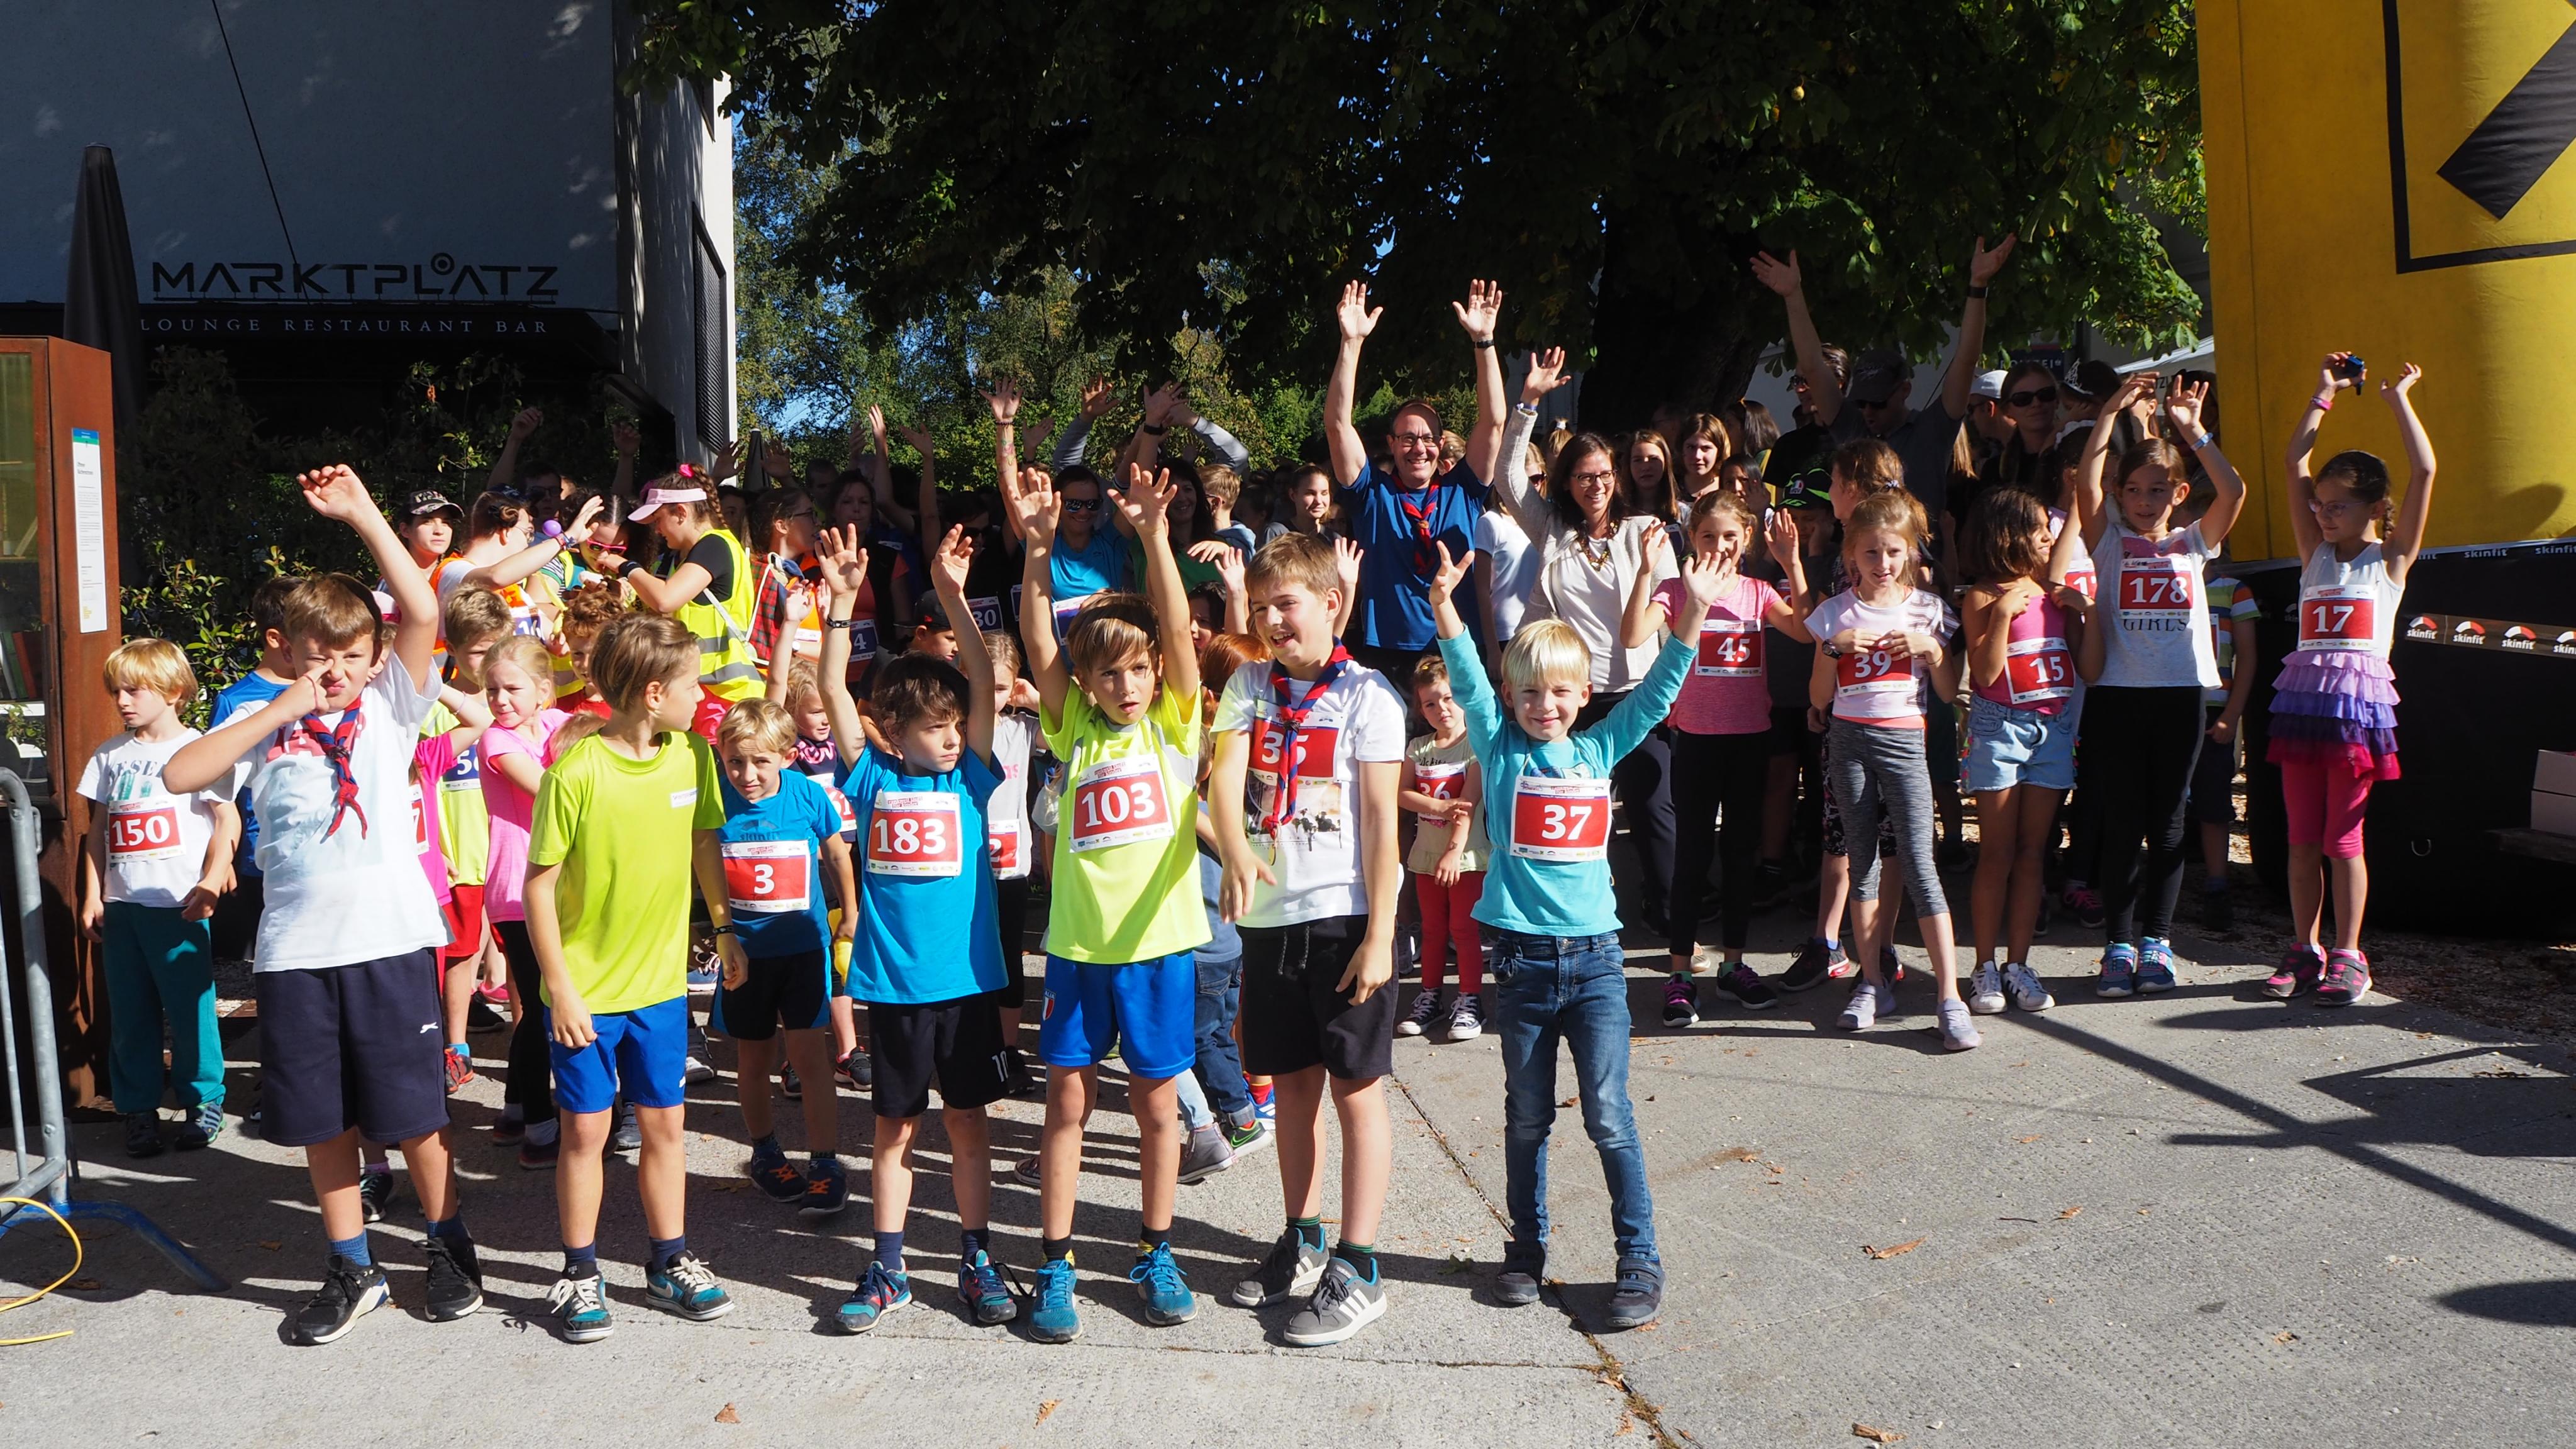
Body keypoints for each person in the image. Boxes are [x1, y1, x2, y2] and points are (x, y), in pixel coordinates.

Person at [165, 465, 479, 1346]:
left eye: (349, 656)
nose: (334, 672)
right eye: (317, 656)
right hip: (298, 951)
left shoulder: (390, 707)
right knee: (322, 1118)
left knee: (415, 1115)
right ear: (287, 652)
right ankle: (351, 1263)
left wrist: (365, 514)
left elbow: (423, 611)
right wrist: (279, 710)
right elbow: (181, 774)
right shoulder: (259, 722)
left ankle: (447, 1240)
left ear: (375, 659)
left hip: (388, 940)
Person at [1428, 537, 1720, 1333]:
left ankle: (1639, 1260)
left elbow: (1655, 695)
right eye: (1528, 692)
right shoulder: (1498, 747)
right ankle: (1525, 1252)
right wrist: (1446, 608)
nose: (1543, 705)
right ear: (1510, 695)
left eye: (1559, 691)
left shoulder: (1598, 747)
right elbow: (1467, 678)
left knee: (1608, 1115)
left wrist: (1692, 613)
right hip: (1521, 965)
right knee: (1527, 1118)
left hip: (1595, 966)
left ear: (1584, 693)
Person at [1007, 461, 1210, 1343]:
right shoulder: (1073, 732)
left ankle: (1155, 1251)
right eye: (1110, 675)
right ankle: (1055, 1262)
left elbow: (1177, 625)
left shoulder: (1174, 727)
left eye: (1139, 671)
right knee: (1067, 1106)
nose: (1127, 686)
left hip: (1159, 950)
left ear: (1156, 673)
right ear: (1087, 684)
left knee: (1159, 1109)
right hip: (1081, 955)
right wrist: (1037, 548)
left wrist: (1157, 538)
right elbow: (1037, 640)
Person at [813, 526, 1021, 1331]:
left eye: (953, 725)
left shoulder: (971, 776)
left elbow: (982, 681)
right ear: (894, 732)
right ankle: (889, 1266)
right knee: (893, 1130)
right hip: (895, 990)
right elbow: (835, 692)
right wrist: (840, 604)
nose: (949, 736)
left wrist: (956, 595)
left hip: (966, 988)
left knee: (967, 1124)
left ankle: (976, 1255)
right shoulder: (868, 776)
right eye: (933, 728)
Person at [1208, 530, 1406, 1346]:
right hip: (1271, 920)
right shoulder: (1249, 683)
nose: (1270, 620)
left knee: (1355, 1090)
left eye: (1284, 604)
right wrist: (1235, 849)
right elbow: (1223, 779)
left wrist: (1381, 934)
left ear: (1330, 603)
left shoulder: (1368, 696)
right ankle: (1303, 1236)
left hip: (1344, 918)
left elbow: (1382, 824)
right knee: (1291, 1087)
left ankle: (1359, 1266)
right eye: (1259, 607)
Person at [523, 612, 738, 1342]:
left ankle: (669, 1261)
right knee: (585, 1132)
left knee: (665, 1126)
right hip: (586, 995)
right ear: (653, 693)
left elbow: (704, 842)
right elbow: (538, 889)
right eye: (692, 684)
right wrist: (562, 989)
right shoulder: (575, 773)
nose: (701, 696)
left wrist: (724, 928)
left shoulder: (694, 756)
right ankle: (580, 1273)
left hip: (662, 991)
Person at [1488, 348, 1682, 938]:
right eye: (1583, 476)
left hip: (1638, 695)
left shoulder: (1646, 531)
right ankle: (1565, 917)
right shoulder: (1552, 528)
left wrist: (1676, 689)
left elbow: (1673, 618)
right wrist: (1528, 403)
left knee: (1654, 808)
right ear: (1567, 483)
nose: (1595, 485)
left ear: (1616, 478)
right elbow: (1507, 476)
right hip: (1572, 696)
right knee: (1568, 806)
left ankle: (1674, 923)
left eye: (1603, 475)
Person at [2071, 373, 2246, 996]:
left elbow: (2234, 490)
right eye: (2134, 490)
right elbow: (2086, 483)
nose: (2145, 501)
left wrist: (2193, 431)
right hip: (2117, 697)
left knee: (2169, 822)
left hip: (2180, 696)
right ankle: (2117, 946)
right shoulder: (2107, 539)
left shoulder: (2193, 543)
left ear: (2178, 493)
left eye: (2157, 489)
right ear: (2120, 494)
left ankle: (2157, 942)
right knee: (2122, 823)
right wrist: (2109, 412)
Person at [2267, 357, 2435, 1006]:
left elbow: (2425, 471)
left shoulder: (2390, 561)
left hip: (2355, 717)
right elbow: (2292, 463)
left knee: (2343, 840)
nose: (2324, 513)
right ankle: (2302, 948)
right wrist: (2322, 396)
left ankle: (2348, 953)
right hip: (2301, 712)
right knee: (2299, 841)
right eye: (2320, 504)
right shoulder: (2312, 554)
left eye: (2338, 505)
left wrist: (2398, 400)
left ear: (2377, 508)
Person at [1622, 492, 1810, 1025]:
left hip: (1750, 738)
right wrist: (1645, 571)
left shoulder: (1757, 592)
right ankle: (1680, 974)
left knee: (1740, 855)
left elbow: (1805, 629)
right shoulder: (1676, 589)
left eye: (1730, 536)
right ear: (1692, 539)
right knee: (1692, 858)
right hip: (1696, 739)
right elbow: (1632, 635)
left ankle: (1734, 965)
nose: (1720, 545)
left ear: (1747, 538)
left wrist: (1792, 563)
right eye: (1708, 536)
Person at [1805, 490, 1974, 1048]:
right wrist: (1833, 650)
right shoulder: (1834, 613)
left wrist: (1933, 650)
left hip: (1904, 740)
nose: (1883, 564)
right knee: (1863, 864)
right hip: (1848, 741)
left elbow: (1946, 692)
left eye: (1894, 552)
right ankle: (1872, 983)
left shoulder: (1928, 609)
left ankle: (1950, 998)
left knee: (1921, 866)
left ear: (1910, 554)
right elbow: (1819, 698)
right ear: (1852, 554)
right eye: (1871, 553)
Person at [79, 638, 240, 1158]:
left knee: (191, 1011)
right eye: (117, 691)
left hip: (178, 906)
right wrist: (93, 895)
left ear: (173, 692)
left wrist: (213, 878)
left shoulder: (199, 750)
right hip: (123, 908)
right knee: (130, 1014)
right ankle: (139, 1109)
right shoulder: (110, 755)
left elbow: (227, 820)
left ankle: (204, 1100)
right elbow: (98, 832)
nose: (122, 701)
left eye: (135, 690)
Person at [704, 696, 853, 1219]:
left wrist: (850, 912)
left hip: (803, 949)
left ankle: (826, 1161)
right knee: (753, 1058)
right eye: (735, 762)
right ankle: (765, 1151)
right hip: (746, 954)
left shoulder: (808, 794)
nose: (747, 775)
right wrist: (719, 932)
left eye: (760, 762)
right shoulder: (716, 798)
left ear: (788, 757)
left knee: (811, 1058)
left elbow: (836, 852)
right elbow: (700, 860)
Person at [1752, 236, 2014, 526]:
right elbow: (1813, 366)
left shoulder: (1932, 429)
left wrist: (1978, 286)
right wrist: (1793, 295)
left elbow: (1965, 359)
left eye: (1877, 403)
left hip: (1916, 552)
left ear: (1904, 390)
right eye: (1861, 402)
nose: (1868, 412)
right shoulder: (1853, 428)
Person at [1957, 487, 2099, 1019]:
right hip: (1999, 731)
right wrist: (2000, 616)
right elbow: (1985, 673)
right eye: (2039, 528)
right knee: (1996, 853)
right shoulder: (1981, 597)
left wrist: (2086, 614)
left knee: (2033, 853)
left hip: (2053, 731)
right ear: (2008, 534)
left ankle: (2019, 964)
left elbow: (2090, 669)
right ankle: (1985, 966)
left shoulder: (2054, 595)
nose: (2048, 536)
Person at [1321, 279, 1507, 680]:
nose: (1418, 448)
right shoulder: (1372, 493)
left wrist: (1484, 342)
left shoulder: (1463, 489)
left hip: (1456, 645)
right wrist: (1351, 343)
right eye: (1407, 438)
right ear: (1392, 444)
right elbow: (1337, 426)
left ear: (1440, 445)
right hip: (1388, 651)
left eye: (1427, 439)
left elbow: (1494, 423)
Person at [474, 636, 570, 1168]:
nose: (500, 700)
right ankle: (539, 1128)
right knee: (539, 1010)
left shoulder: (558, 725)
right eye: (492, 690)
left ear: (543, 690)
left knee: (536, 1005)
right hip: (516, 890)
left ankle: (513, 1110)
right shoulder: (495, 740)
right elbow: (554, 790)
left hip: (555, 887)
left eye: (512, 689)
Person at [586, 472, 766, 738]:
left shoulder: (715, 545)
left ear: (681, 512)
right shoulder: (685, 558)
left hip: (726, 697)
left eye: (659, 520)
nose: (657, 530)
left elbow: (665, 599)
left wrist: (625, 566)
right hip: (701, 692)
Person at [1396, 653, 1490, 1043]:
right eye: (1430, 703)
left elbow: (1468, 803)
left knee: (1463, 930)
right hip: (1426, 856)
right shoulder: (1418, 748)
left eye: (1449, 698)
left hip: (1465, 856)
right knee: (1433, 930)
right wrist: (1436, 807)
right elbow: (1400, 792)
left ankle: (1470, 1000)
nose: (1442, 709)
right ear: (1421, 710)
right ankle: (1430, 996)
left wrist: (1454, 849)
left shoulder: (1475, 745)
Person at [2186, 497, 2260, 932]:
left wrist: (2233, 714)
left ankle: (2217, 886)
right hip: (2171, 707)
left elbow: (2247, 658)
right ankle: (2162, 885)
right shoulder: (2161, 585)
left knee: (2214, 803)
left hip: (2215, 711)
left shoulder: (2233, 591)